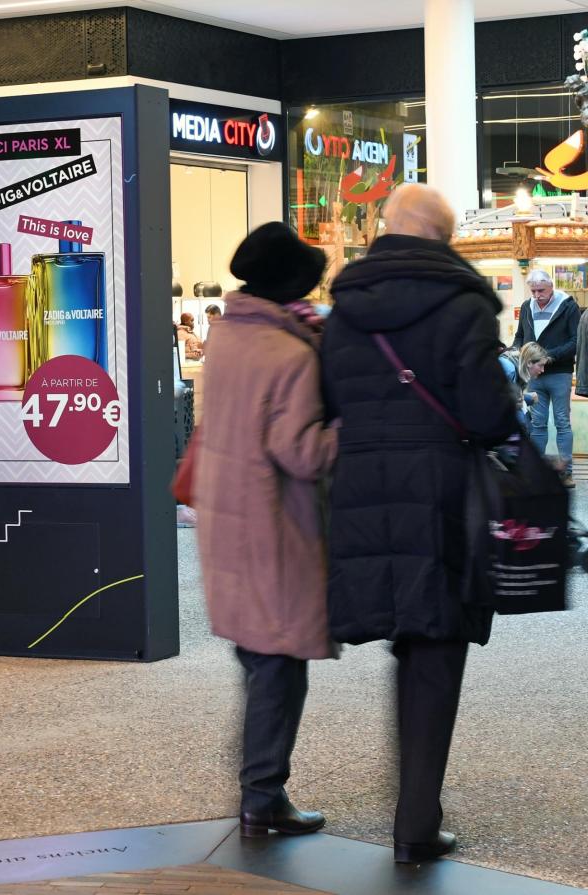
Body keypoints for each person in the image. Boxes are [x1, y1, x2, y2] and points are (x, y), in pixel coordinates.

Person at [321, 185, 519, 863]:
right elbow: (490, 416)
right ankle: (414, 822)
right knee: (437, 650)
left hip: (362, 489)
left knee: (408, 640)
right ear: (443, 238)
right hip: (438, 489)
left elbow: (328, 401)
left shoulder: (342, 309)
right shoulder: (463, 305)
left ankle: (413, 801)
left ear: (384, 228)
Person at [194, 223, 337, 839]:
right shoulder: (290, 354)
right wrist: (352, 431)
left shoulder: (225, 338)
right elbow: (302, 453)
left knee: (259, 661)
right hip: (271, 529)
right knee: (279, 666)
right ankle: (263, 797)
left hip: (227, 521)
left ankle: (259, 787)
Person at [512, 268, 579, 486]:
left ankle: (566, 472)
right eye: (533, 291)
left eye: (541, 290)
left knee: (562, 422)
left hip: (559, 372)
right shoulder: (526, 306)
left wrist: (547, 357)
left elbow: (575, 341)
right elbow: (520, 336)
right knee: (537, 424)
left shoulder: (568, 306)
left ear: (551, 287)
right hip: (533, 375)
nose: (537, 295)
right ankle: (537, 471)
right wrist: (515, 353)